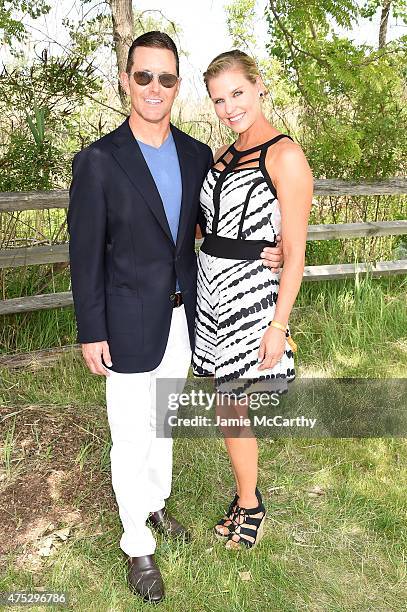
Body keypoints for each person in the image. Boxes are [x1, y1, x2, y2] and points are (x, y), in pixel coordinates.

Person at [67, 33, 282, 604]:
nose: (155, 88)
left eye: (166, 78)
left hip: (187, 320)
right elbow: (84, 253)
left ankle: (155, 506)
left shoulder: (195, 155)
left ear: (177, 85)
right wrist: (92, 328)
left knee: (162, 423)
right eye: (144, 77)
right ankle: (136, 542)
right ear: (126, 80)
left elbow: (202, 234)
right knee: (129, 432)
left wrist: (263, 248)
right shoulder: (99, 161)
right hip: (126, 321)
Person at [192, 50, 313, 549]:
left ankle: (250, 505)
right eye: (219, 100)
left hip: (251, 295)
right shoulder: (221, 154)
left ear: (259, 86)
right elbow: (205, 224)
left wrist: (279, 325)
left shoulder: (285, 155)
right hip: (211, 289)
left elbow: (296, 252)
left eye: (237, 93)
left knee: (231, 403)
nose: (229, 107)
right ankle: (247, 496)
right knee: (226, 403)